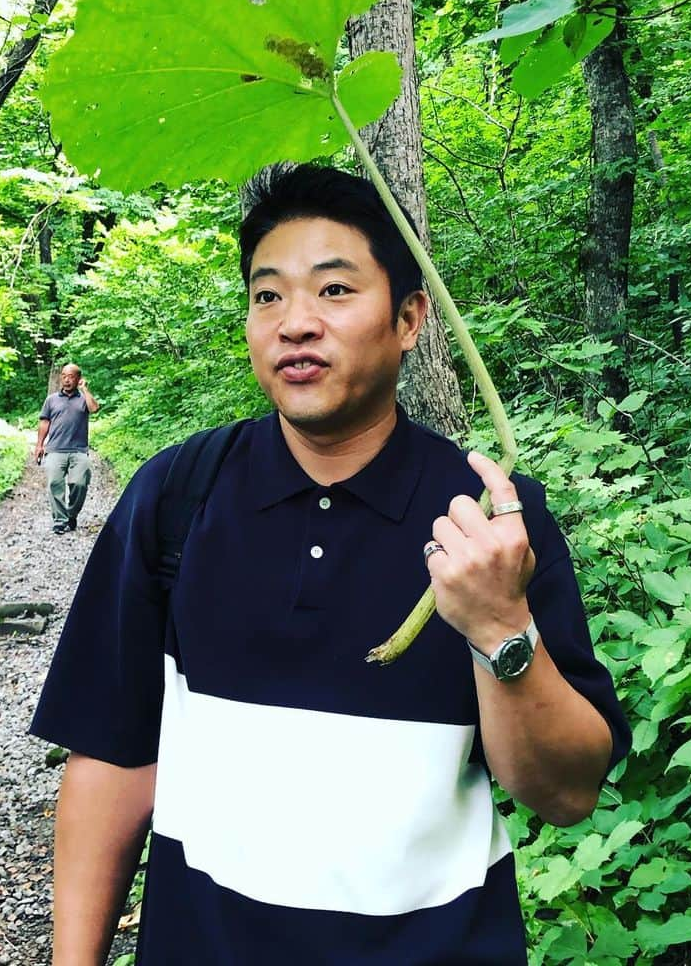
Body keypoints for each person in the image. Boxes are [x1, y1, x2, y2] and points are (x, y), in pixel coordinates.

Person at [31, 165, 631, 965]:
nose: (294, 323)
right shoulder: (177, 494)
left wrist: (499, 627)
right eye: (267, 295)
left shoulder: (488, 519)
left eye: (336, 291)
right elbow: (112, 753)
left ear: (411, 318)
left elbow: (567, 793)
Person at [35, 364, 99, 535]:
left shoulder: (83, 399)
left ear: (78, 378)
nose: (66, 379)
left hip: (78, 450)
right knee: (55, 484)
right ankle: (59, 521)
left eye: (70, 376)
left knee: (79, 483)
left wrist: (85, 390)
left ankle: (71, 514)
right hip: (55, 449)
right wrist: (39, 445)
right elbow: (44, 422)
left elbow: (94, 408)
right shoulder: (51, 400)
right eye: (63, 376)